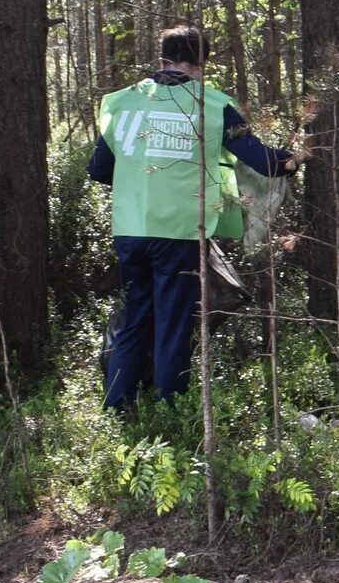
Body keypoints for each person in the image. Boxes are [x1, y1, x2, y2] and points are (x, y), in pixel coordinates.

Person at [87, 26, 302, 409]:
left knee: (133, 318)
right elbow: (265, 162)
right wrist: (296, 159)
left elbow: (100, 170)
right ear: (201, 64)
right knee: (173, 323)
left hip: (130, 230)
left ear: (161, 60)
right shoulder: (213, 105)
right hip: (182, 231)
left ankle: (117, 404)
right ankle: (171, 409)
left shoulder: (123, 102)